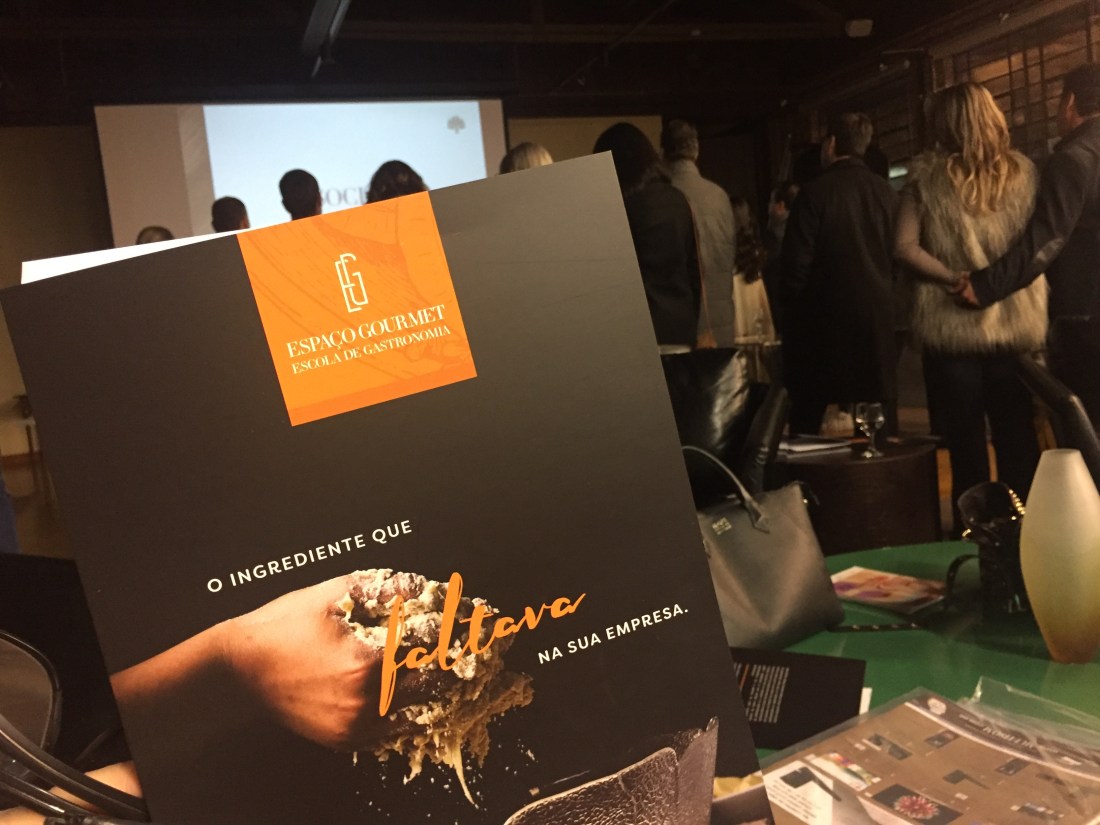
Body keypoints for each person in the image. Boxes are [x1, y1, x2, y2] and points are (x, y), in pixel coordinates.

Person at [894, 82, 1047, 531]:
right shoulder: (1024, 174)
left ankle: (975, 532)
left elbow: (903, 247)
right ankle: (1024, 530)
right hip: (1013, 325)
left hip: (951, 328)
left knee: (965, 442)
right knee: (1016, 436)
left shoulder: (925, 179)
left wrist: (952, 278)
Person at [959, 63, 1100, 418]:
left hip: (1084, 317)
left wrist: (985, 286)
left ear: (1070, 102)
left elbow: (1047, 238)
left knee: (1085, 424)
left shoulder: (1075, 158)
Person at [780, 112, 899, 435]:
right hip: (878, 320)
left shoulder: (814, 194)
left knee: (808, 423)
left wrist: (793, 314)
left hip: (822, 324)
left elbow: (795, 268)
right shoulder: (887, 194)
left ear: (830, 144)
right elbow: (899, 258)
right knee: (877, 424)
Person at [593, 122, 700, 351]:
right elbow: (694, 271)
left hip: (637, 332)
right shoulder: (679, 200)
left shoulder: (621, 206)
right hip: (681, 328)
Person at [661, 119, 736, 348]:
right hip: (721, 322)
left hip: (681, 328)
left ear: (662, 153)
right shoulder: (719, 196)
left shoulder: (664, 196)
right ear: (696, 151)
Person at [762, 180, 798, 335]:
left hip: (779, 294)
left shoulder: (776, 234)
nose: (768, 206)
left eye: (771, 202)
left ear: (781, 206)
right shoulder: (799, 226)